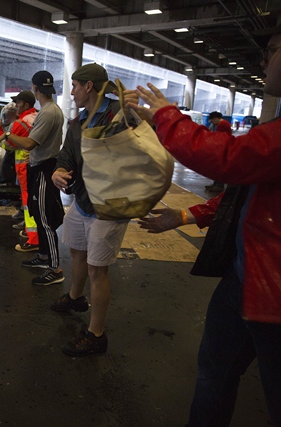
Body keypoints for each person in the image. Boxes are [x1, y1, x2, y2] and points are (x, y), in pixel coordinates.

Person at [127, 25, 281, 425]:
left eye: (274, 49)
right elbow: (246, 191)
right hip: (244, 281)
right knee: (214, 373)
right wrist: (183, 215)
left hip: (275, 294)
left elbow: (227, 159)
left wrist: (166, 115)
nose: (265, 61)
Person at [49, 63, 129, 356]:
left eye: (74, 86)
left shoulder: (121, 115)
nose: (71, 92)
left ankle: (96, 335)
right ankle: (75, 298)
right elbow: (66, 156)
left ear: (89, 86)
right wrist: (59, 171)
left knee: (98, 269)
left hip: (109, 206)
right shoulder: (78, 122)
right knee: (77, 251)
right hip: (83, 201)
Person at [0, 71, 64, 286]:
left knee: (45, 219)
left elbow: (29, 144)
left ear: (35, 89)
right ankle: (43, 256)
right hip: (37, 167)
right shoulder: (46, 111)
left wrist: (6, 134)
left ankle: (55, 268)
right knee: (36, 212)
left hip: (44, 168)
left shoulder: (49, 112)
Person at [0, 91, 39, 252]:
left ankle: (34, 239)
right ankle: (30, 231)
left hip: (26, 168)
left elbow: (6, 145)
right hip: (36, 166)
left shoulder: (20, 124)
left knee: (28, 203)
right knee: (33, 201)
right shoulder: (36, 117)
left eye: (18, 103)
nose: (16, 106)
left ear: (26, 105)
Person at [204, 111, 233, 193]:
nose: (212, 122)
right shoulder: (223, 123)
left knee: (220, 167)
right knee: (217, 166)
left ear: (216, 118)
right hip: (223, 147)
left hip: (223, 147)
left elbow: (217, 136)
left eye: (212, 120)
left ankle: (219, 185)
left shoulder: (222, 124)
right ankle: (216, 184)